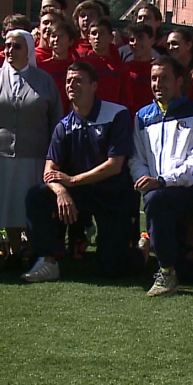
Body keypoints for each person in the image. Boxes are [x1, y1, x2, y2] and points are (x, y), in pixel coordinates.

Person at [24, 62, 145, 281]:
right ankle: (47, 260)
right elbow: (49, 170)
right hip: (78, 193)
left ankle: (141, 250)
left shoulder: (117, 114)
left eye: (78, 80)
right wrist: (61, 191)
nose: (72, 85)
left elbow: (114, 165)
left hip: (113, 196)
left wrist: (72, 180)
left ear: (94, 85)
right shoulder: (64, 125)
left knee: (113, 270)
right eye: (69, 81)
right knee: (37, 195)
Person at [0, 29, 62, 268]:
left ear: (29, 50)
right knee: (5, 204)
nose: (10, 50)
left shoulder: (45, 81)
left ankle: (31, 248)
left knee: (27, 204)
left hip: (33, 156)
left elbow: (56, 121)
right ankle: (11, 250)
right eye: (7, 45)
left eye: (17, 46)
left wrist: (54, 157)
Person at [130, 55, 193, 297]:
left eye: (164, 78)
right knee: (155, 200)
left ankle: (166, 273)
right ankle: (172, 265)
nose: (158, 84)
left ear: (179, 82)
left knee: (156, 200)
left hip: (188, 194)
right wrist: (147, 181)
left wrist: (163, 181)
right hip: (157, 193)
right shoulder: (142, 116)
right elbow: (136, 159)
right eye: (154, 79)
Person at [83, 18, 134, 109]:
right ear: (89, 38)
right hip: (87, 113)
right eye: (94, 33)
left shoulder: (120, 66)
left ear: (111, 38)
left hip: (113, 114)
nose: (97, 37)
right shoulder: (82, 64)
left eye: (102, 33)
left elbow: (126, 97)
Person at [38, 21, 78, 115]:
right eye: (53, 36)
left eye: (61, 36)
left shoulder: (76, 67)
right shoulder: (41, 67)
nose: (56, 39)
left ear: (70, 41)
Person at [124, 23, 161, 116]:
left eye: (140, 38)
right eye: (132, 40)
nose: (135, 43)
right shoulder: (124, 68)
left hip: (155, 119)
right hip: (130, 121)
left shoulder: (160, 68)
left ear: (151, 40)